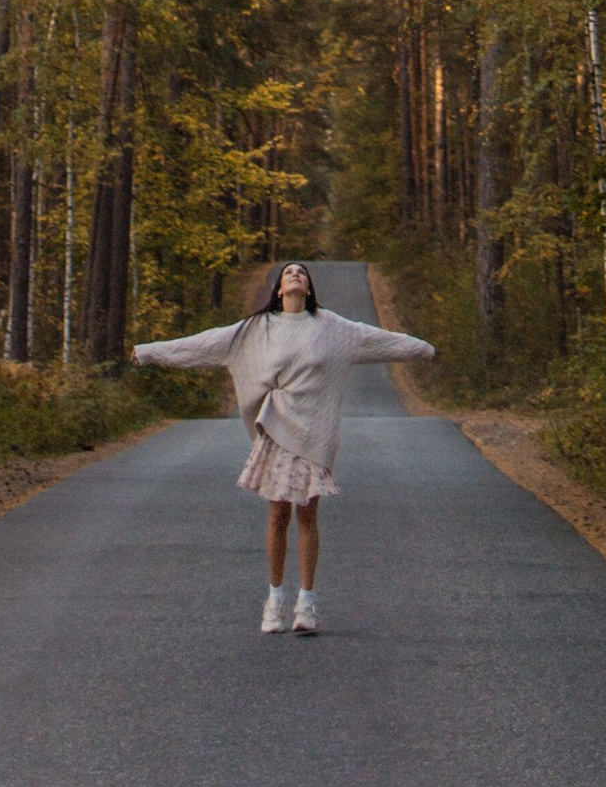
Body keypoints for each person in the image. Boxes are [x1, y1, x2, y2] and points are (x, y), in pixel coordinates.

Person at [134, 262, 433, 634]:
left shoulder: (332, 328)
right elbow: (203, 344)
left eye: (301, 273)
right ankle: (274, 601)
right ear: (278, 290)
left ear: (308, 289)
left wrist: (422, 349)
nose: (295, 275)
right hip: (276, 430)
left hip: (314, 433)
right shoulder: (256, 330)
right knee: (278, 515)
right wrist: (150, 352)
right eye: (288, 272)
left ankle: (306, 602)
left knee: (307, 514)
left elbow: (380, 340)